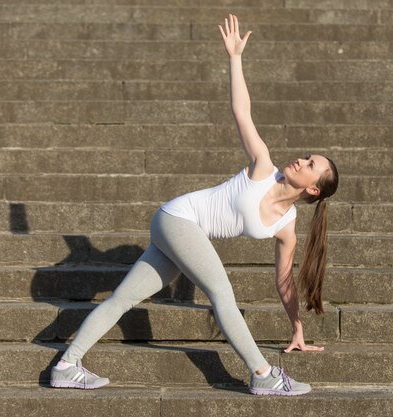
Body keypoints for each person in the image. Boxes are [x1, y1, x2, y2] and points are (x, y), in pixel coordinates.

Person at [50, 13, 339, 396]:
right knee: (222, 293)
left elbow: (284, 281)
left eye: (311, 165)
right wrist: (235, 58)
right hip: (177, 219)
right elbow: (242, 112)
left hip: (181, 231)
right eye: (306, 156)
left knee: (124, 297)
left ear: (314, 190)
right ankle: (263, 374)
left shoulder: (286, 225)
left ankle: (66, 365)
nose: (301, 160)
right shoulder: (263, 166)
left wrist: (297, 327)